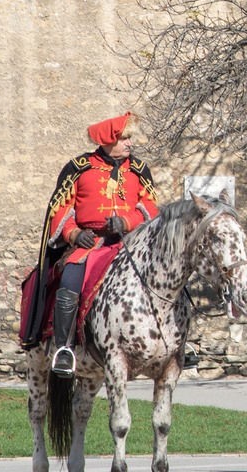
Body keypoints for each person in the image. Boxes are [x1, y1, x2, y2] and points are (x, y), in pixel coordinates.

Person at [38, 112, 160, 375]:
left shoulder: (139, 170)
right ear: (108, 140)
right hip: (89, 243)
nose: (130, 144)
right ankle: (64, 349)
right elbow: (59, 209)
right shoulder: (78, 168)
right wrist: (72, 234)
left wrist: (126, 222)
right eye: (125, 138)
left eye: (130, 139)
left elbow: (150, 206)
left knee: (165, 274)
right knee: (70, 280)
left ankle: (174, 341)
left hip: (130, 243)